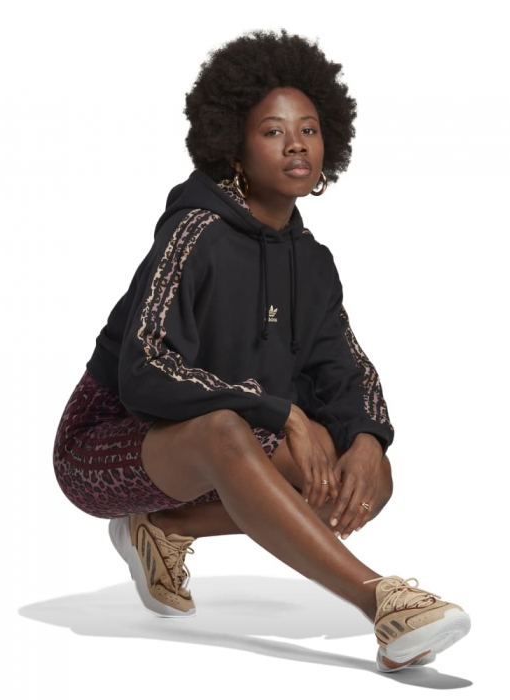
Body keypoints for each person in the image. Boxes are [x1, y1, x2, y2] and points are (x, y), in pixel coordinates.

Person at [53, 30, 470, 672]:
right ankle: (382, 602)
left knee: (360, 471)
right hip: (107, 444)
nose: (296, 143)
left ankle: (166, 528)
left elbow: (345, 367)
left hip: (227, 439)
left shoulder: (313, 261)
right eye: (273, 131)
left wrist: (367, 438)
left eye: (308, 130)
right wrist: (282, 412)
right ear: (236, 148)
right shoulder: (194, 232)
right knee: (227, 429)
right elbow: (145, 369)